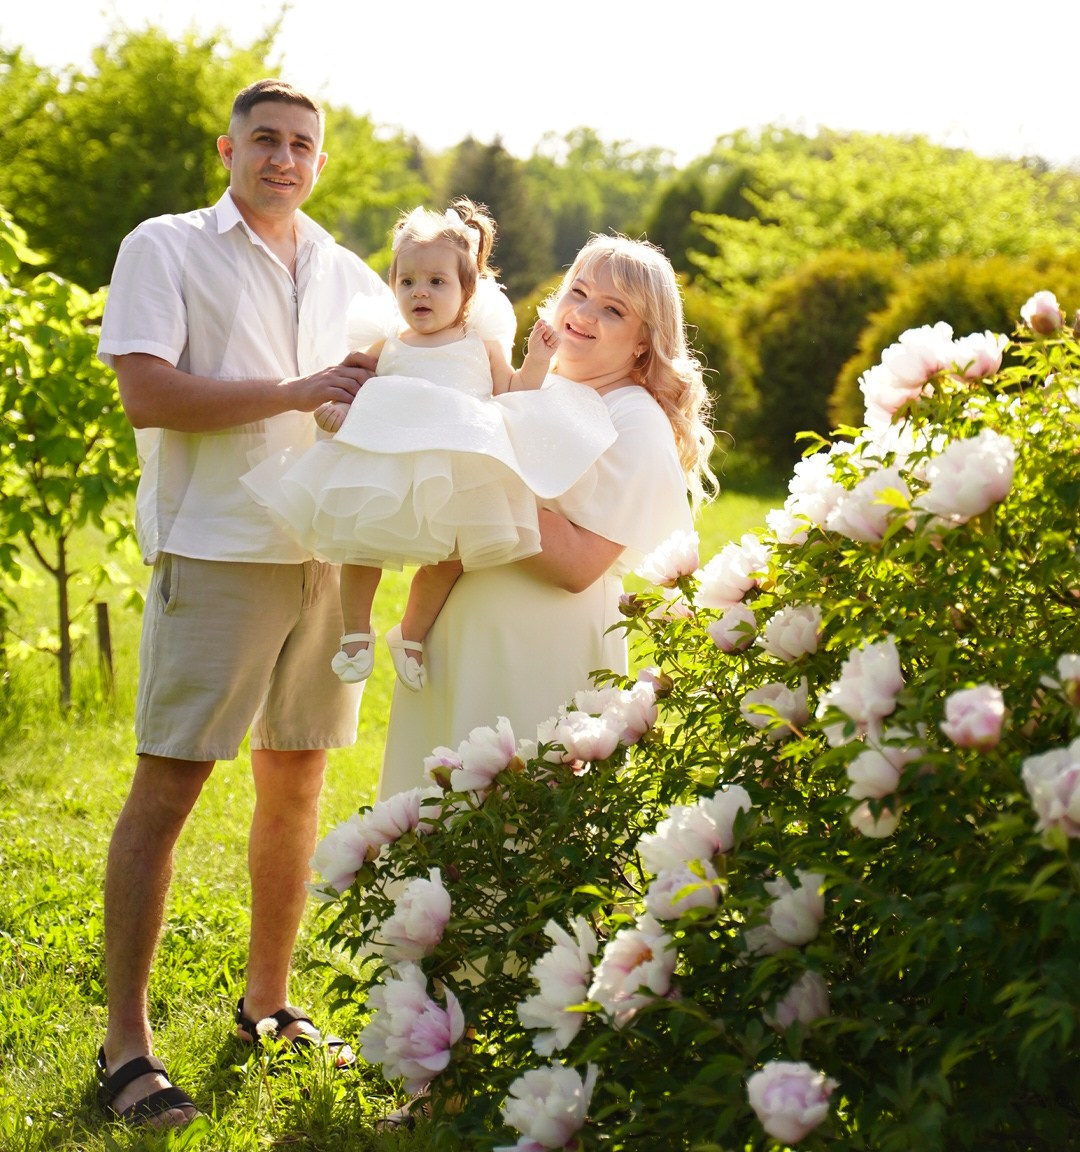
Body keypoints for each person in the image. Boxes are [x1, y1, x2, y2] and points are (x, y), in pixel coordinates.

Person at [94, 79, 389, 1128]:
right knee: (167, 789)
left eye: (303, 143)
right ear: (228, 146)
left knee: (297, 782)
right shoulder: (166, 246)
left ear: (321, 160)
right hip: (216, 548)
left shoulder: (354, 275)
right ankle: (125, 1045)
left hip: (324, 554)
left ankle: (266, 1002)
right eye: (265, 138)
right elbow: (148, 390)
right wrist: (298, 389)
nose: (283, 156)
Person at [377, 233, 714, 799]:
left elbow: (579, 564)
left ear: (642, 343)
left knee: (511, 834)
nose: (583, 315)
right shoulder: (536, 386)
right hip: (457, 639)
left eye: (613, 310)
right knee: (433, 833)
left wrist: (478, 474)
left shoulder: (635, 420)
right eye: (577, 293)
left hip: (537, 653)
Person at [241, 199, 618, 692]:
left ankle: (412, 633)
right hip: (383, 461)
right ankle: (355, 631)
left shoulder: (477, 345)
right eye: (407, 281)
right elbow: (347, 387)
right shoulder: (387, 342)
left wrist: (538, 359)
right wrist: (335, 413)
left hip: (454, 468)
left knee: (449, 558)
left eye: (437, 282)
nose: (420, 292)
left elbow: (515, 397)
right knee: (361, 547)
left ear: (466, 292)